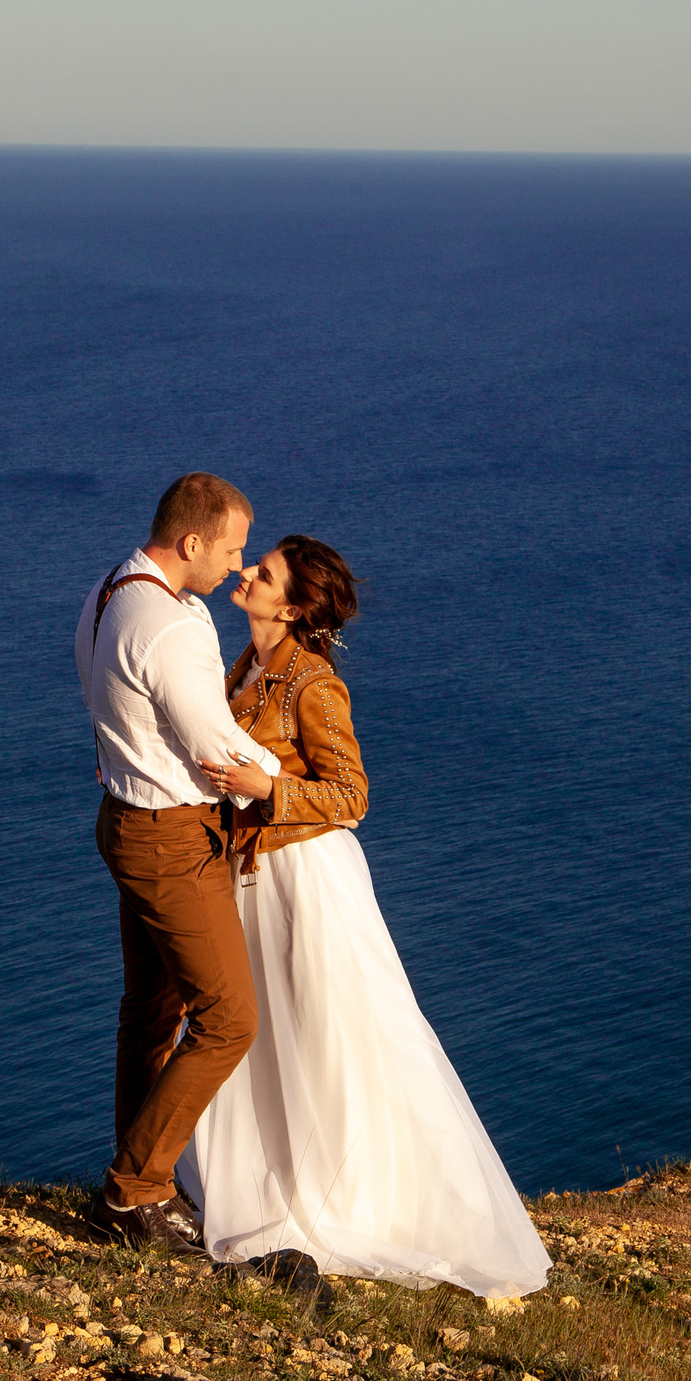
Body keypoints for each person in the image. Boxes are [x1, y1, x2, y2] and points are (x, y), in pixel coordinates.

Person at [189, 536, 550, 1298]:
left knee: (336, 1032)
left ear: (288, 607)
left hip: (306, 882)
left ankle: (359, 1199)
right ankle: (278, 1184)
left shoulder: (312, 684)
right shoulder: (246, 664)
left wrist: (265, 784)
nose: (246, 570)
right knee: (269, 1035)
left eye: (264, 572)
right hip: (256, 878)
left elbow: (351, 796)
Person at [74, 472, 282, 1252]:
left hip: (125, 818)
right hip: (169, 838)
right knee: (229, 1018)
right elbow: (215, 744)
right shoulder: (172, 625)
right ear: (191, 542)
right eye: (229, 549)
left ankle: (134, 1180)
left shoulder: (109, 588)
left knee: (152, 1010)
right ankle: (134, 1191)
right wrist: (291, 784)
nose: (237, 565)